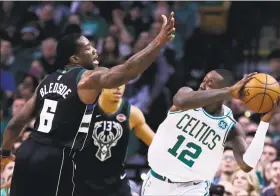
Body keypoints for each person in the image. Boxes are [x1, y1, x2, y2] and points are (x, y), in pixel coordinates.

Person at [0, 12, 175, 196]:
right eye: (88, 48)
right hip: (56, 157)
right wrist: (158, 43)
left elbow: (16, 123)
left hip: (27, 151)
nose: (95, 50)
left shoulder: (46, 81)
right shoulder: (86, 78)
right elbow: (127, 71)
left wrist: (4, 153)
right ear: (75, 59)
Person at [141, 69, 280, 195]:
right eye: (204, 80)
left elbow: (247, 165)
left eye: (209, 83)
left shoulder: (231, 127)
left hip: (192, 188)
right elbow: (180, 101)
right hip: (157, 180)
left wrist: (265, 122)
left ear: (222, 90)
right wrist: (228, 92)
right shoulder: (186, 94)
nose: (202, 85)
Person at [74, 84, 154, 196]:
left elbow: (156, 145)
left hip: (117, 184)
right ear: (101, 84)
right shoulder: (82, 110)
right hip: (84, 181)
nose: (118, 88)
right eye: (114, 83)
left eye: (122, 83)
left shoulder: (132, 113)